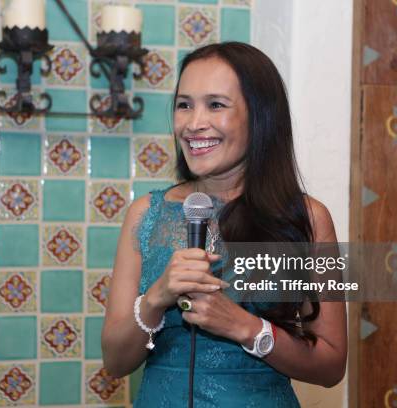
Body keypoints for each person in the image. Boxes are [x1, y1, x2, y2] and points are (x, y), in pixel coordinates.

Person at [101, 42, 347, 407]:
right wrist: (156, 297)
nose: (194, 123)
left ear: (260, 116)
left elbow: (330, 366)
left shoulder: (307, 219)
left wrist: (245, 328)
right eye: (184, 105)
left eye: (215, 105)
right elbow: (115, 362)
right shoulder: (145, 214)